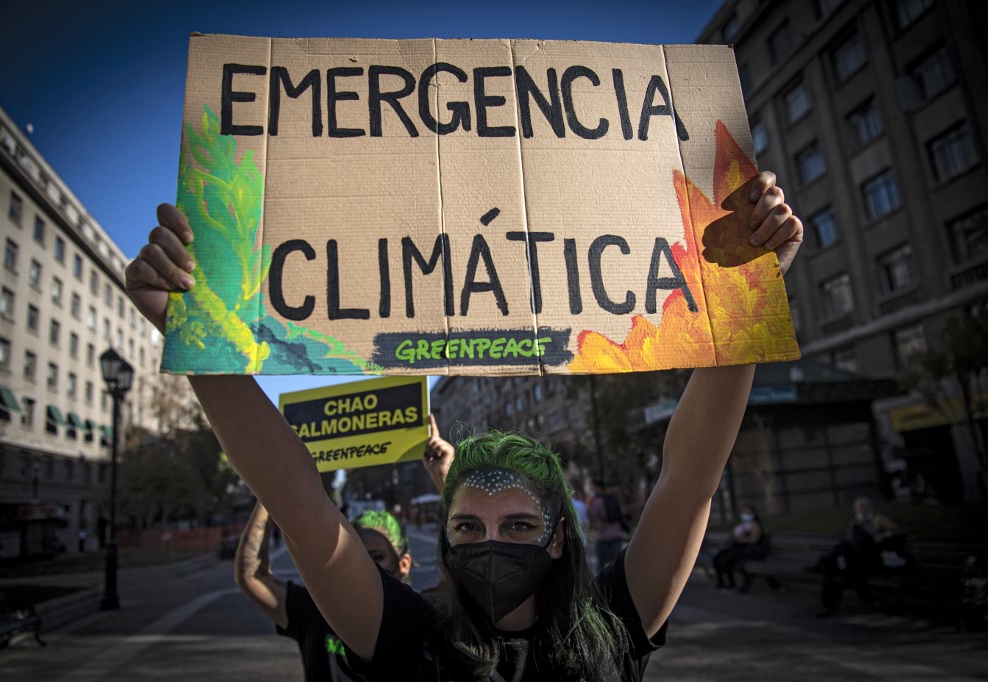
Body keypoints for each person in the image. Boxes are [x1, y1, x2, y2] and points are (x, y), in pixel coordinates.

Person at [126, 170, 802, 681]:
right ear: (443, 542)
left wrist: (750, 294)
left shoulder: (613, 629)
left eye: (518, 527)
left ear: (559, 539)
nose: (490, 546)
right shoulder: (406, 638)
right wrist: (196, 339)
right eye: (468, 528)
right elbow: (301, 505)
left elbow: (687, 481)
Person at [235, 501, 412, 681]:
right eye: (358, 557)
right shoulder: (316, 609)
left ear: (403, 564)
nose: (366, 568)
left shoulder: (421, 620)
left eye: (377, 557)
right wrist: (268, 489)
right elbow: (253, 576)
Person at [814, 496, 909, 617]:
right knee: (831, 569)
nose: (859, 508)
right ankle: (829, 607)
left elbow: (898, 531)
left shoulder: (878, 519)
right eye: (858, 505)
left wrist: (884, 534)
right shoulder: (854, 522)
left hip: (869, 559)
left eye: (862, 505)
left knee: (837, 556)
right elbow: (851, 540)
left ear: (870, 507)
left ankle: (821, 565)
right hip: (853, 560)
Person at [712, 504, 770, 591]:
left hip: (748, 550)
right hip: (737, 548)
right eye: (743, 513)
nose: (745, 515)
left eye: (747, 513)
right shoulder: (742, 525)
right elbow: (734, 536)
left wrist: (740, 539)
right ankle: (722, 582)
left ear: (753, 514)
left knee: (727, 560)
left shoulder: (755, 525)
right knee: (718, 558)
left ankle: (731, 584)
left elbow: (753, 540)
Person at [589, 481, 627, 570]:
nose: (592, 490)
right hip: (615, 533)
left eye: (593, 487)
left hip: (602, 535)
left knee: (601, 564)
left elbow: (592, 517)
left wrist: (590, 531)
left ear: (598, 488)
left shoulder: (597, 502)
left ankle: (600, 583)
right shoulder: (613, 498)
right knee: (619, 561)